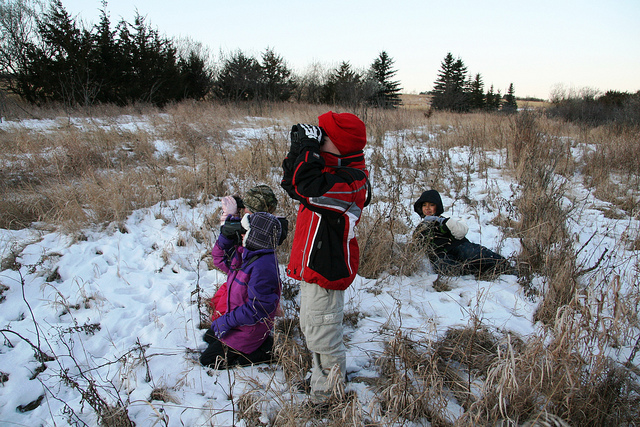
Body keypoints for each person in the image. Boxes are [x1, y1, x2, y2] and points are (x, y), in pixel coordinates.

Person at [281, 111, 371, 399]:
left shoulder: (351, 182)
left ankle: (328, 394)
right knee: (311, 326)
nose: (319, 139)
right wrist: (299, 148)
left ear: (341, 144)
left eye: (324, 135)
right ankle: (320, 377)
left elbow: (308, 187)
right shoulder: (330, 170)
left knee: (324, 333)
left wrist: (309, 148)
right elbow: (292, 183)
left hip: (327, 268)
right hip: (312, 265)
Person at [200, 211, 283, 368]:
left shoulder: (263, 267)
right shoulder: (246, 255)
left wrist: (227, 321)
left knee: (208, 360)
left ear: (256, 236)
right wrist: (225, 236)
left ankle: (264, 351)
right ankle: (257, 344)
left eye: (246, 231)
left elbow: (257, 308)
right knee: (210, 336)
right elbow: (219, 259)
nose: (242, 234)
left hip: (248, 330)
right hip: (240, 324)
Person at [412, 189, 513, 277]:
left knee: (473, 253)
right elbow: (418, 245)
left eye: (431, 205)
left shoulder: (444, 220)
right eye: (424, 205)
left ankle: (505, 267)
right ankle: (475, 272)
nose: (427, 208)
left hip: (458, 245)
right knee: (444, 267)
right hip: (441, 254)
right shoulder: (421, 228)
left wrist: (445, 222)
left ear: (437, 207)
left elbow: (461, 232)